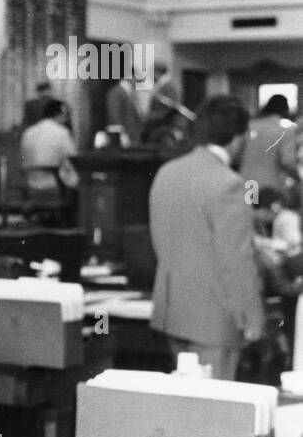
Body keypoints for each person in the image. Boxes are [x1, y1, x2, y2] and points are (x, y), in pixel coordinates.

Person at [149, 95, 263, 381]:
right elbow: (236, 260)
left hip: (173, 311)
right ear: (238, 138)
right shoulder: (229, 183)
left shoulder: (166, 172)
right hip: (214, 318)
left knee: (188, 407)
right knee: (214, 414)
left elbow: (162, 240)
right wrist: (252, 318)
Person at [239, 94, 296, 196]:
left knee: (248, 209)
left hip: (247, 181)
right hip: (271, 185)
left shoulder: (249, 126)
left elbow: (237, 154)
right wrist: (297, 176)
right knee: (267, 211)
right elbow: (287, 161)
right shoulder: (286, 129)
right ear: (285, 110)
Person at [20, 99, 79, 192]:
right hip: (54, 184)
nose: (66, 119)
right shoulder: (62, 132)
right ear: (59, 114)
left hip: (30, 183)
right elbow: (72, 157)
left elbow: (23, 159)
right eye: (66, 115)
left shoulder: (28, 132)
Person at [103, 78, 144, 147]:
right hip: (123, 141)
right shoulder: (116, 93)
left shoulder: (129, 93)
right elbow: (114, 118)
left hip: (132, 140)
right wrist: (123, 137)